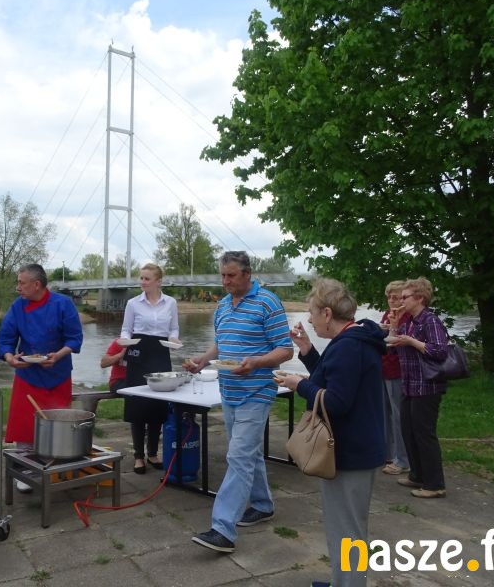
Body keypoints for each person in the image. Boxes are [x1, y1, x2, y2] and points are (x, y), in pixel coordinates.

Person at [275, 278, 386, 587]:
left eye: (312, 312)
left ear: (327, 313)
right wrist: (308, 350)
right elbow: (336, 378)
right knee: (348, 528)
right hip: (359, 446)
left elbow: (336, 402)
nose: (310, 320)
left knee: (347, 532)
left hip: (350, 452)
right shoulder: (355, 339)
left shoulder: (349, 346)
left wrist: (299, 385)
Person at [184, 251, 293, 553]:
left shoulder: (268, 302)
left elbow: (285, 349)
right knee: (249, 453)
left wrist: (256, 362)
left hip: (256, 391)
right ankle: (263, 505)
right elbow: (221, 344)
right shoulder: (222, 305)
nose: (225, 281)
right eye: (222, 275)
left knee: (238, 457)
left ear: (247, 274)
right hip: (229, 391)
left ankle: (223, 529)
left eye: (231, 275)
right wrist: (202, 360)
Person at [0, 264, 83, 491]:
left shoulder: (63, 304)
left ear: (36, 284)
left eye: (21, 283)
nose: (18, 287)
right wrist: (9, 357)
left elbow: (74, 338)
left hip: (58, 374)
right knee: (25, 423)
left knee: (56, 423)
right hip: (28, 374)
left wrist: (58, 355)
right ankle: (25, 468)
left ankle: (55, 462)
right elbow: (5, 338)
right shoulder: (18, 306)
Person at [388, 276, 449, 499]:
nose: (401, 301)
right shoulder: (410, 322)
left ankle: (435, 484)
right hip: (409, 385)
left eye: (405, 297)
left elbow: (440, 351)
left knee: (424, 434)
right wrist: (394, 327)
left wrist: (412, 342)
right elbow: (392, 348)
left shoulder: (430, 321)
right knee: (408, 430)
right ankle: (417, 475)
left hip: (427, 386)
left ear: (420, 298)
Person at [120, 263, 180, 474]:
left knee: (157, 404)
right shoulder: (133, 303)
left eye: (147, 279)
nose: (142, 282)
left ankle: (153, 453)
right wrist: (125, 341)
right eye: (141, 278)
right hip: (138, 351)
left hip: (161, 353)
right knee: (137, 404)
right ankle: (138, 456)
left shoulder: (171, 302)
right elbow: (126, 329)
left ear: (158, 281)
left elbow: (174, 328)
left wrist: (174, 339)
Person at [380, 280, 410, 475]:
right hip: (383, 369)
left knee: (399, 416)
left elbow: (401, 342)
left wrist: (391, 330)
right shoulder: (388, 314)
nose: (392, 300)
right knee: (384, 414)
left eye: (396, 297)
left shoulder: (407, 317)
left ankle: (403, 460)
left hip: (398, 371)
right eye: (389, 297)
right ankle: (387, 453)